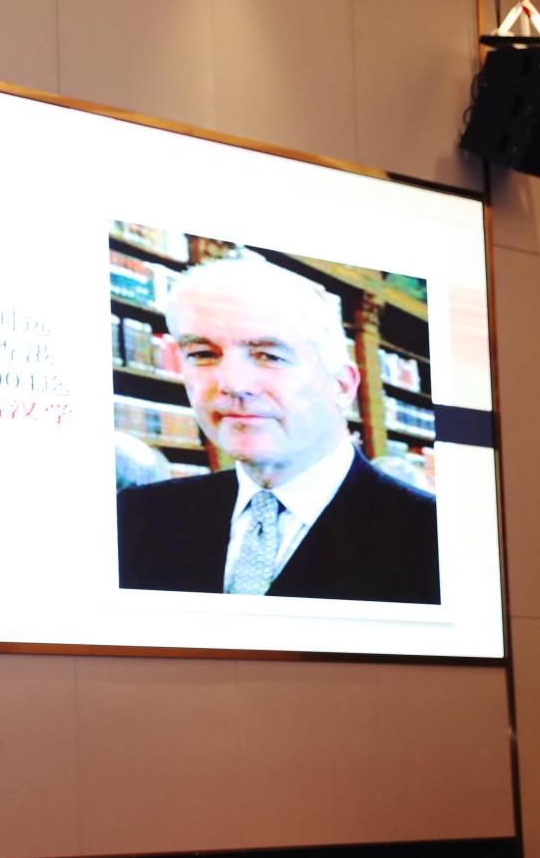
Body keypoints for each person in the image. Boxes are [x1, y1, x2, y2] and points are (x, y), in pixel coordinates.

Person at [116, 257, 440, 604]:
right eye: (203, 354)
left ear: (342, 386)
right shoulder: (135, 516)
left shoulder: (434, 536)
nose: (233, 384)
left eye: (269, 356)